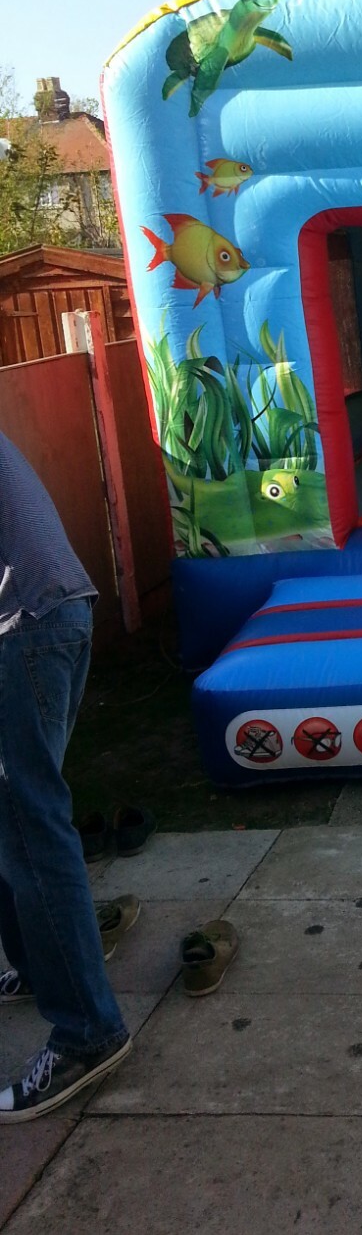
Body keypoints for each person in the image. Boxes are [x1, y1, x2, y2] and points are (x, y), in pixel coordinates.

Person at [0, 430, 131, 1122]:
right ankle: (35, 961)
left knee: (29, 830)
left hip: (25, 627)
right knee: (14, 817)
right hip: (54, 614)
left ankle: (87, 1030)